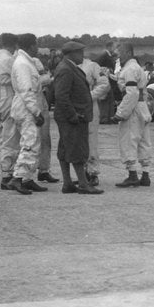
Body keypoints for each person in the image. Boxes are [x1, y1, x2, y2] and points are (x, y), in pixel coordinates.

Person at [52, 41, 103, 194]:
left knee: (65, 148)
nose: (83, 55)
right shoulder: (66, 69)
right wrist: (72, 114)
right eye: (80, 52)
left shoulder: (69, 67)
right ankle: (83, 183)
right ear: (71, 54)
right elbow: (61, 95)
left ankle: (68, 182)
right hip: (72, 117)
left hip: (71, 116)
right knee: (77, 150)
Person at [8, 33, 47, 195]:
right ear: (30, 46)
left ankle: (28, 178)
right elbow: (27, 91)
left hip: (25, 107)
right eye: (36, 45)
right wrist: (36, 112)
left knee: (34, 142)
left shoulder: (25, 62)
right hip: (26, 108)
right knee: (30, 143)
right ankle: (17, 178)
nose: (37, 48)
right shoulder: (23, 64)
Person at [112, 43, 153, 187]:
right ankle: (145, 174)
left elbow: (131, 93)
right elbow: (142, 92)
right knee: (144, 141)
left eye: (120, 53)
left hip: (133, 109)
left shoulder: (129, 69)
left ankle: (132, 174)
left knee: (129, 140)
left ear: (128, 53)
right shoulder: (138, 68)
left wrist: (120, 113)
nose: (118, 56)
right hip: (142, 107)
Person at [0, 32, 19, 189]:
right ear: (14, 44)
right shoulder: (8, 59)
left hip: (0, 97)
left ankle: (8, 172)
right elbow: (14, 79)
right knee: (10, 137)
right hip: (9, 97)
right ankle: (7, 174)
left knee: (5, 136)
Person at [79, 51, 110, 186]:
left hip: (90, 106)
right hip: (74, 107)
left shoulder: (92, 66)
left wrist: (89, 96)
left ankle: (92, 173)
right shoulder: (68, 66)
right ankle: (81, 173)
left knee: (91, 140)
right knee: (78, 142)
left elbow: (104, 84)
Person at [34, 55, 58, 184]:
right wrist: (49, 78)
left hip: (39, 98)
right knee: (30, 140)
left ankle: (44, 170)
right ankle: (23, 174)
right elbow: (44, 79)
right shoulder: (24, 62)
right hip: (30, 99)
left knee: (45, 138)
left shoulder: (33, 61)